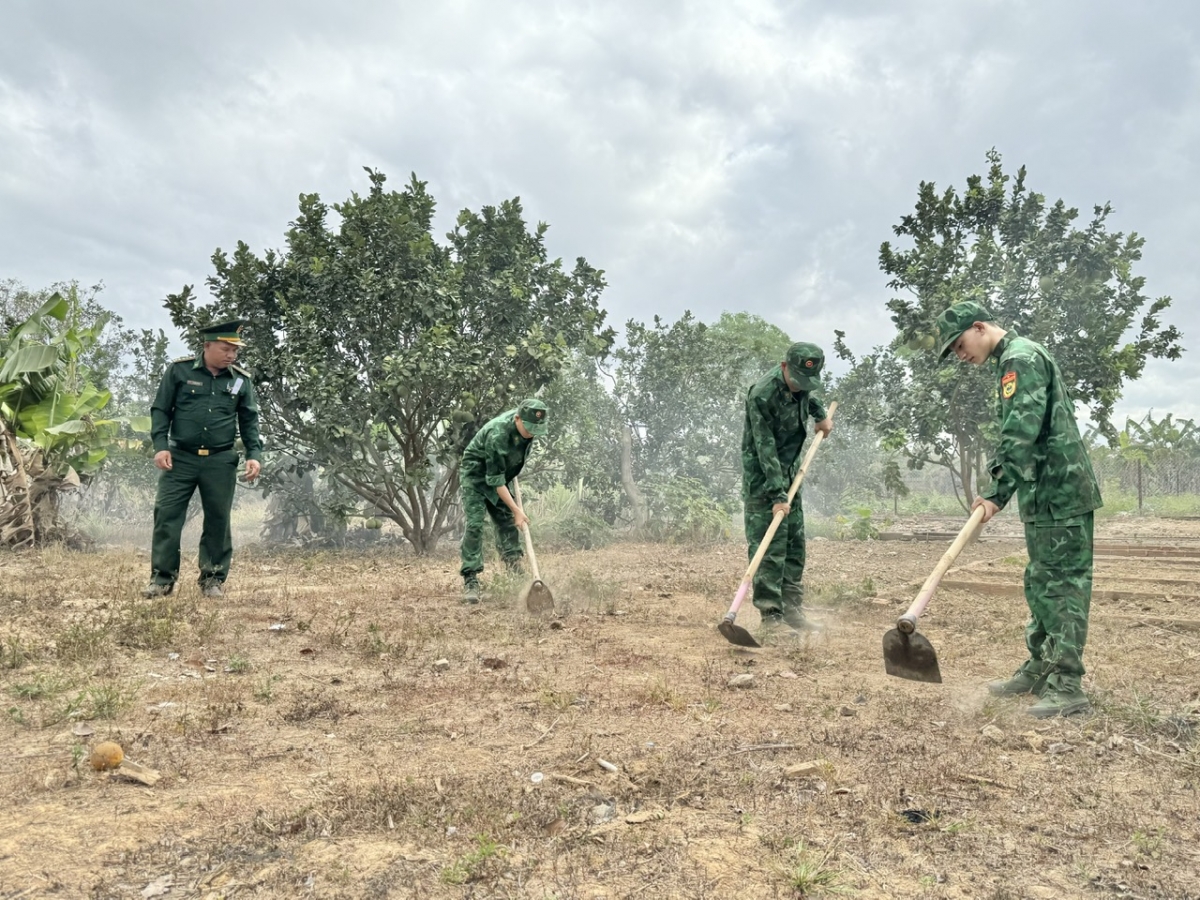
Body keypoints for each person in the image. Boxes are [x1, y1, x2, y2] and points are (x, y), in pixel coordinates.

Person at [936, 301, 1103, 718]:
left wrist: (996, 491)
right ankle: (1040, 668)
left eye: (960, 345)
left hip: (1060, 493)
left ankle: (1067, 685)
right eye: (955, 352)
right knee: (1041, 583)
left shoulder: (1020, 358)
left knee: (1062, 586)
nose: (961, 356)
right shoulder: (1012, 359)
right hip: (1043, 492)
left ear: (979, 327)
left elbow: (1021, 431)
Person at [144, 320, 263, 599]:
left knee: (218, 521)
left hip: (220, 460)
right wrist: (161, 446)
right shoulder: (179, 371)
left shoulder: (240, 380)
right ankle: (162, 580)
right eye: (226, 349)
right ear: (207, 346)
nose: (232, 355)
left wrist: (253, 455)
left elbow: (249, 421)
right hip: (180, 458)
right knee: (167, 517)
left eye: (235, 351)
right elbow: (161, 410)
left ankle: (212, 580)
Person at [741, 342, 834, 632]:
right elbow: (764, 447)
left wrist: (820, 415)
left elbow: (808, 394)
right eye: (796, 380)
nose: (800, 386)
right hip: (764, 481)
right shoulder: (761, 394)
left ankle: (792, 611)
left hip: (792, 474)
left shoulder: (802, 382)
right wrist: (777, 495)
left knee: (794, 544)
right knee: (771, 546)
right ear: (784, 367)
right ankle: (771, 618)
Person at [458, 399, 549, 603]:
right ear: (517, 419)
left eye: (536, 428)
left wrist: (513, 510)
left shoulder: (526, 425)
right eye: (529, 428)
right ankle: (471, 579)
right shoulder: (497, 434)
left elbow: (503, 472)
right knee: (475, 525)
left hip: (499, 475)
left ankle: (513, 567)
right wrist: (517, 509)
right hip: (476, 476)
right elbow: (495, 481)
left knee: (507, 522)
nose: (532, 433)